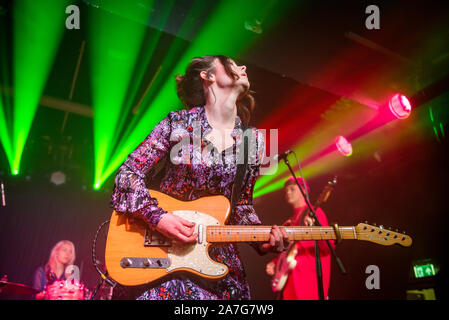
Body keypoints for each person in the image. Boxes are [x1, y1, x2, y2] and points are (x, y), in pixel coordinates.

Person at [110, 54, 290, 300]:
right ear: (208, 76)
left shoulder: (255, 140)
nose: (244, 66)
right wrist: (159, 218)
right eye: (232, 64)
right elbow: (127, 174)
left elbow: (242, 206)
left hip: (218, 268)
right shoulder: (177, 123)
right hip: (163, 262)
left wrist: (262, 240)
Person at [265, 176, 334, 300]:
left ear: (304, 190)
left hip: (307, 281)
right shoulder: (289, 221)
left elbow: (328, 246)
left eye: (292, 189)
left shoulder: (315, 213)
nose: (288, 192)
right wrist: (275, 263)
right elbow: (288, 249)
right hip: (289, 281)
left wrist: (316, 230)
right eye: (286, 191)